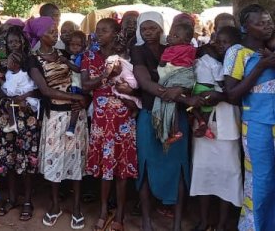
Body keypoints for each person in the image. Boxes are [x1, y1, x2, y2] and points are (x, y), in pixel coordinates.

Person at [223, 4, 275, 231]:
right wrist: (260, 66)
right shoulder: (237, 52)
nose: (266, 26)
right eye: (259, 23)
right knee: (260, 180)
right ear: (245, 27)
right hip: (256, 124)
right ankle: (254, 226)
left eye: (269, 21)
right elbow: (232, 94)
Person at [132, 12, 196, 231]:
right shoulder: (138, 50)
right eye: (144, 29)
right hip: (151, 113)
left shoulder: (180, 46)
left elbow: (191, 75)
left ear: (161, 28)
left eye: (153, 28)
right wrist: (172, 93)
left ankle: (177, 223)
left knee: (178, 165)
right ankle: (147, 222)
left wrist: (180, 91)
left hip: (176, 116)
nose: (148, 32)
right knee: (146, 164)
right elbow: (143, 81)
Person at [23, 15, 86, 228]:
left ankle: (77, 207)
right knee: (54, 161)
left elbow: (78, 77)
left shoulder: (62, 54)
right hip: (56, 115)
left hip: (75, 115)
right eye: (50, 31)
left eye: (55, 30)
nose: (55, 33)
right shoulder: (32, 59)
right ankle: (55, 204)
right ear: (40, 35)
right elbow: (45, 90)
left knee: (75, 160)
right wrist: (76, 98)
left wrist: (81, 98)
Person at [82, 18, 139, 231]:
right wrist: (106, 75)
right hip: (101, 118)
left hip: (123, 118)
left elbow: (135, 84)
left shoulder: (126, 57)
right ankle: (104, 210)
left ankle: (121, 215)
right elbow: (86, 85)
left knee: (122, 168)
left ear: (115, 33)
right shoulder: (90, 56)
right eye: (97, 30)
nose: (99, 34)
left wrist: (129, 91)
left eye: (105, 30)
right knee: (106, 167)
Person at [189, 26, 244, 231]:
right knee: (203, 172)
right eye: (217, 41)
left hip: (229, 126)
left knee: (228, 175)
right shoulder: (204, 62)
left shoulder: (242, 62)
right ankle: (204, 221)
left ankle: (222, 223)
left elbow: (235, 94)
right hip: (204, 127)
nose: (221, 46)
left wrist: (219, 95)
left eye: (225, 42)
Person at [0, 26, 39, 221]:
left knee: (26, 157)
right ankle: (11, 198)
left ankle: (27, 200)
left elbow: (39, 89)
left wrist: (25, 96)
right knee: (10, 156)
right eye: (10, 42)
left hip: (26, 116)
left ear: (24, 42)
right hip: (6, 114)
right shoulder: (2, 64)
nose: (14, 45)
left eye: (17, 41)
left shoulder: (32, 62)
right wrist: (0, 87)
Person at [153, 23, 196, 145]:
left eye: (175, 36)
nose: (171, 37)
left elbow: (162, 63)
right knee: (185, 99)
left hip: (175, 76)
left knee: (172, 103)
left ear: (186, 39)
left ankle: (175, 131)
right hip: (187, 76)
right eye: (170, 34)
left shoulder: (170, 49)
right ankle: (199, 119)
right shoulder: (192, 48)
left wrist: (158, 68)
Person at [0, 52, 38, 134]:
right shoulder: (22, 72)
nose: (6, 63)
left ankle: (12, 123)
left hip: (25, 98)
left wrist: (1, 82)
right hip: (29, 95)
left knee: (9, 104)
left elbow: (9, 92)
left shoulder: (15, 77)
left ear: (14, 64)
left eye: (8, 61)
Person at [63, 30, 86, 137]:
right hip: (73, 83)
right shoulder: (73, 56)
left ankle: (71, 127)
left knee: (76, 106)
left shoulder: (81, 57)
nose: (75, 47)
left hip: (79, 85)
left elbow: (78, 69)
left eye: (78, 45)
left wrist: (66, 62)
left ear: (83, 46)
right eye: (72, 44)